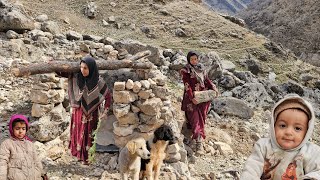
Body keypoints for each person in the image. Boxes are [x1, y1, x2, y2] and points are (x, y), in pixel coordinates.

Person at [241, 94, 320, 179]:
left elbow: (317, 171)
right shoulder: (263, 146)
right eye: (282, 126)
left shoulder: (312, 152)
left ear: (307, 132)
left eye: (297, 128)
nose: (288, 132)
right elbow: (251, 168)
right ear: (273, 126)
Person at [58, 56, 111, 164]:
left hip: (92, 114)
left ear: (91, 68)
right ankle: (77, 154)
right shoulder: (77, 76)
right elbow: (61, 73)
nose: (82, 70)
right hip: (78, 111)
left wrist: (105, 111)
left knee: (89, 134)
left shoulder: (98, 81)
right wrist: (52, 64)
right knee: (78, 131)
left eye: (85, 68)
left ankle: (88, 156)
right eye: (81, 67)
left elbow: (108, 96)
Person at [180, 51, 218, 154]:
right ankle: (198, 143)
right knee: (195, 120)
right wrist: (192, 98)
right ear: (188, 59)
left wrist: (213, 88)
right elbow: (187, 86)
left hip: (202, 100)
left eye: (195, 59)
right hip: (191, 100)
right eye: (192, 59)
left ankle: (194, 138)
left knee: (201, 120)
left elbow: (207, 81)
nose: (194, 61)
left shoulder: (201, 69)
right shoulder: (186, 70)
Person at [0, 114, 44, 180]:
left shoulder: (30, 144)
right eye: (17, 129)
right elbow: (2, 163)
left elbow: (36, 160)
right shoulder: (7, 144)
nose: (20, 131)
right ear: (12, 129)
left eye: (23, 129)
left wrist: (42, 173)